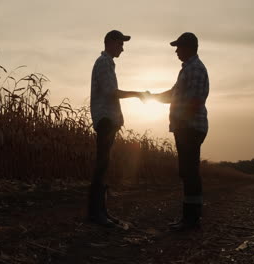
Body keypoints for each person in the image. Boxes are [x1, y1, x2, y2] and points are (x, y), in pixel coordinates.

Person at [88, 30, 149, 227]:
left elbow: (109, 95)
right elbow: (111, 93)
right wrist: (137, 93)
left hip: (109, 119)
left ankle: (101, 211)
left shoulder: (107, 63)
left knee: (104, 165)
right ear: (111, 43)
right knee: (101, 165)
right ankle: (96, 213)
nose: (123, 48)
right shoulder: (104, 63)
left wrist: (119, 117)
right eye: (121, 44)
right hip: (105, 119)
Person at [151, 32, 209, 231]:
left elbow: (195, 102)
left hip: (190, 127)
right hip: (186, 127)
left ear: (189, 48)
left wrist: (180, 120)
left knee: (190, 172)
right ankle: (190, 217)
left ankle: (191, 220)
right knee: (187, 171)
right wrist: (151, 97)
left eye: (179, 47)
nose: (176, 51)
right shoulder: (187, 70)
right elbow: (173, 94)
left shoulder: (195, 70)